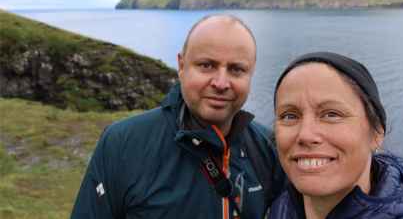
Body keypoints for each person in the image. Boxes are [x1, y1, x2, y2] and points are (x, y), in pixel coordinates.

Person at [71, 15, 285, 219]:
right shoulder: (122, 144)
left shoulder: (269, 148)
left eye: (236, 69)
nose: (221, 83)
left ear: (251, 74)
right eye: (206, 65)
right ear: (181, 66)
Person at [268, 52, 403, 219]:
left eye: (332, 114)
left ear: (377, 132)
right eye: (289, 116)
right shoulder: (285, 202)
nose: (305, 135)